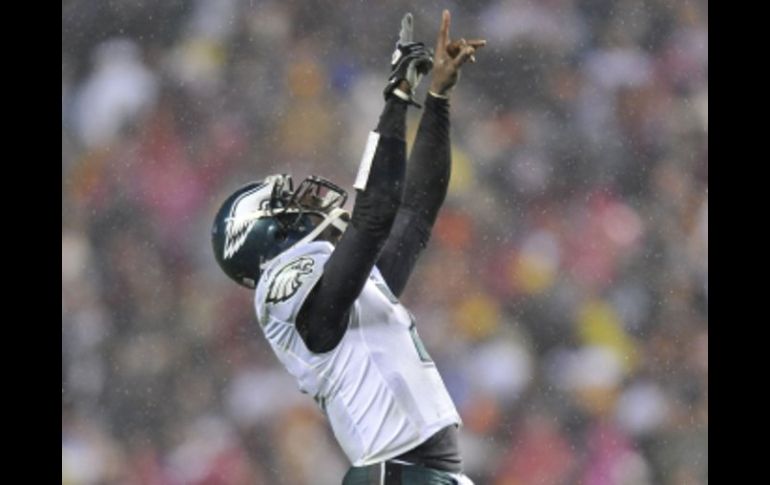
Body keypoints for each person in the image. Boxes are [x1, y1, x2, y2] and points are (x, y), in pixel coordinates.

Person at [211, 10, 485, 485]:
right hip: (397, 475)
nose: (306, 206)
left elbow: (415, 212)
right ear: (263, 237)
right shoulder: (288, 295)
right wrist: (397, 98)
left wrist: (437, 98)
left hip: (416, 474)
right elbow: (375, 213)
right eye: (287, 208)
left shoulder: (342, 291)